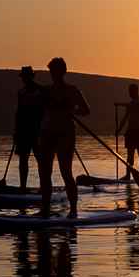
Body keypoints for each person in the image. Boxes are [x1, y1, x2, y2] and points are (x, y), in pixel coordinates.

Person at [37, 57, 90, 217]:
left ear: (63, 72)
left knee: (65, 171)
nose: (54, 75)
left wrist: (71, 109)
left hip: (65, 133)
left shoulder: (72, 90)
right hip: (47, 132)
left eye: (57, 71)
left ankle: (73, 210)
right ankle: (45, 209)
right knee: (44, 172)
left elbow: (86, 110)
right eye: (52, 72)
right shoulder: (46, 91)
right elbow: (39, 110)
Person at [13, 66, 43, 189]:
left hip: (38, 131)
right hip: (23, 131)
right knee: (23, 160)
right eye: (23, 77)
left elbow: (44, 110)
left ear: (32, 76)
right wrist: (16, 131)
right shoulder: (21, 92)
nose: (25, 79)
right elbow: (18, 112)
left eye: (27, 77)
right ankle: (22, 186)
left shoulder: (41, 91)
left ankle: (44, 186)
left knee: (41, 160)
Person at [119, 83, 139, 181]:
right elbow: (125, 117)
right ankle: (128, 175)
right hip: (131, 131)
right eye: (129, 91)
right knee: (130, 155)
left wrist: (122, 104)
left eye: (131, 91)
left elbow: (137, 105)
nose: (130, 93)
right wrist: (119, 129)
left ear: (135, 91)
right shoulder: (130, 103)